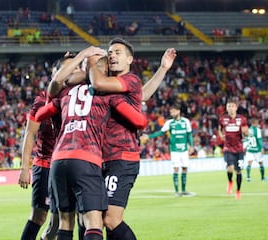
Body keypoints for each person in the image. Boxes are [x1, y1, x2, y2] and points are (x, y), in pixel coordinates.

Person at [36, 54, 147, 240]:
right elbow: (140, 121)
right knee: (94, 222)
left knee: (65, 223)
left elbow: (40, 114)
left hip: (58, 161)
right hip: (86, 159)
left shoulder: (65, 93)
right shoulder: (107, 94)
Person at [87, 38, 176, 240]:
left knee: (110, 219)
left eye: (118, 52)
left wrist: (89, 60)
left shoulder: (130, 79)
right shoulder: (115, 84)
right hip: (100, 158)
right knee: (97, 218)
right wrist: (162, 69)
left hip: (121, 158)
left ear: (129, 59)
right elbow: (142, 95)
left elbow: (99, 82)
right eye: (110, 52)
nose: (112, 55)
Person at [18, 56, 77, 240]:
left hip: (69, 165)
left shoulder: (77, 97)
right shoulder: (42, 100)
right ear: (55, 74)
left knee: (62, 220)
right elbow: (30, 133)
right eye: (67, 69)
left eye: (74, 69)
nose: (71, 73)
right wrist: (25, 168)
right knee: (39, 216)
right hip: (45, 165)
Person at [147, 103, 194, 197]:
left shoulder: (186, 121)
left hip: (184, 149)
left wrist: (191, 146)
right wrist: (149, 136)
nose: (172, 113)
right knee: (176, 168)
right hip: (175, 150)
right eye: (171, 112)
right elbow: (161, 132)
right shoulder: (169, 123)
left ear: (178, 111)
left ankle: (183, 190)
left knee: (185, 168)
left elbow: (189, 134)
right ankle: (177, 191)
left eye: (173, 111)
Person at [218, 97, 248, 199]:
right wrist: (221, 135)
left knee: (238, 171)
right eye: (228, 106)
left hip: (239, 149)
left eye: (232, 106)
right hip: (228, 148)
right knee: (230, 168)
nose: (230, 108)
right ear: (226, 108)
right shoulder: (223, 119)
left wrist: (246, 133)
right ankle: (230, 181)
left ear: (236, 108)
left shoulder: (242, 119)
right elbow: (220, 129)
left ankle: (238, 191)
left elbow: (246, 133)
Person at [244, 118, 266, 182]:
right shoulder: (257, 130)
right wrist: (261, 148)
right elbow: (259, 139)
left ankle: (248, 177)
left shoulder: (248, 130)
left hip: (249, 150)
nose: (258, 124)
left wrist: (245, 147)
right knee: (261, 163)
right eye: (257, 123)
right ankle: (262, 178)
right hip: (257, 150)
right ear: (253, 123)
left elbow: (245, 139)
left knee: (249, 163)